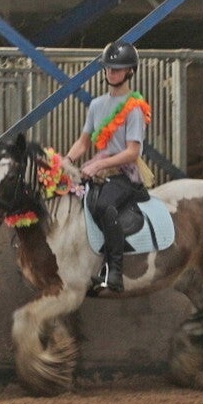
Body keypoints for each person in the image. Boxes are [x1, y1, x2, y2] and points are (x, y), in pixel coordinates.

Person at [65, 40, 152, 293]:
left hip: (125, 172)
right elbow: (83, 143)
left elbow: (133, 152)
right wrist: (66, 161)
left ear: (130, 71)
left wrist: (100, 164)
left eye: (117, 69)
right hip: (99, 168)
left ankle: (114, 271)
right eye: (108, 68)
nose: (111, 73)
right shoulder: (96, 105)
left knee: (104, 205)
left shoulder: (134, 107)